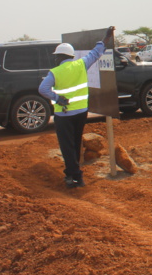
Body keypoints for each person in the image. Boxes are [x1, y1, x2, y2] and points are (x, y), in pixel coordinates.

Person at [39, 26, 115, 188]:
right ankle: (71, 174)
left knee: (67, 147)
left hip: (64, 115)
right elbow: (96, 53)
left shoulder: (55, 72)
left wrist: (57, 98)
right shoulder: (81, 64)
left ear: (60, 57)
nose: (55, 59)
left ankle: (75, 177)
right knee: (75, 142)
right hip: (81, 113)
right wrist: (106, 38)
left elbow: (42, 89)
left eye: (56, 56)